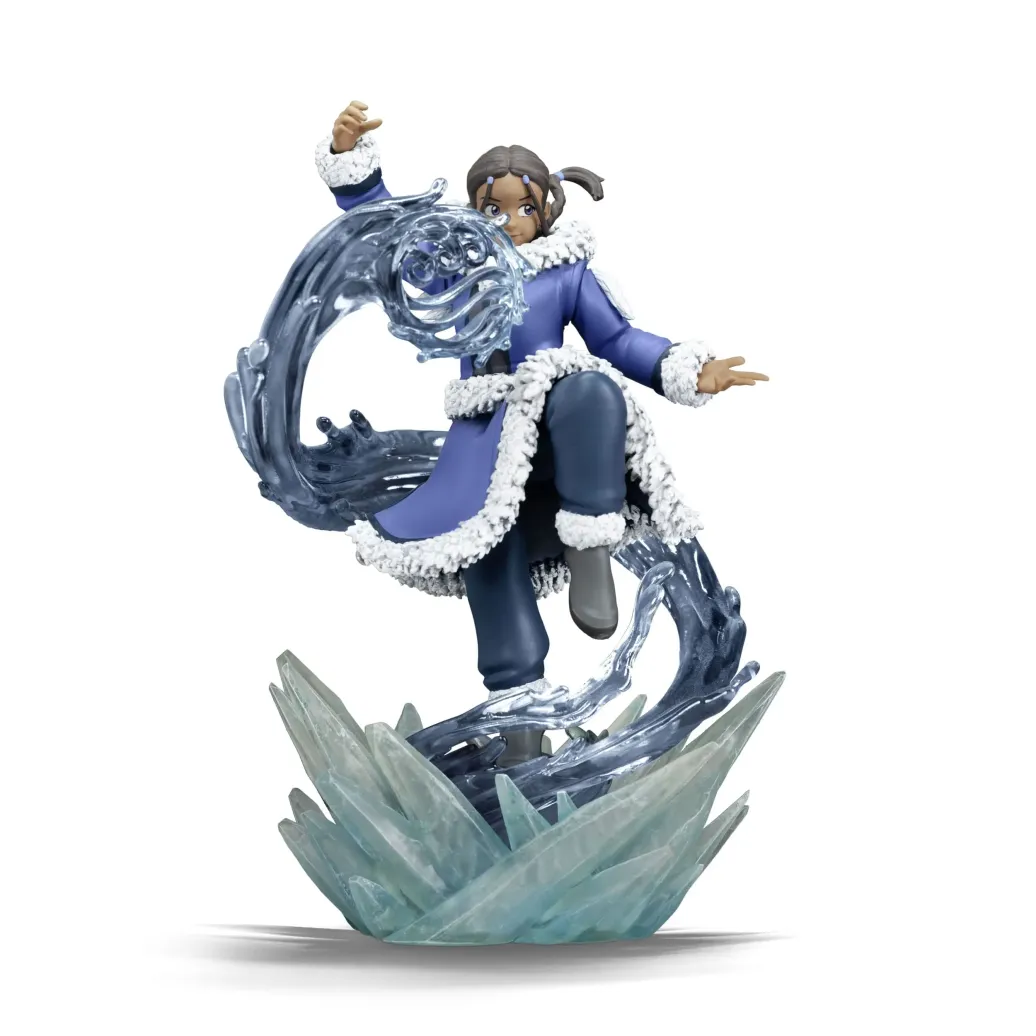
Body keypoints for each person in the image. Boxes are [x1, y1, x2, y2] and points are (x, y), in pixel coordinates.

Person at [316, 101, 768, 762]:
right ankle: (520, 729)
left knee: (588, 386)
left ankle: (591, 550)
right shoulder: (458, 265)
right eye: (493, 208)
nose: (510, 221)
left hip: (557, 432)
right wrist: (353, 165)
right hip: (480, 449)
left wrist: (687, 369)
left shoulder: (566, 271)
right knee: (488, 560)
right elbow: (388, 235)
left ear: (546, 208)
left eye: (523, 207)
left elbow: (617, 341)